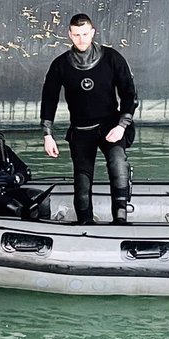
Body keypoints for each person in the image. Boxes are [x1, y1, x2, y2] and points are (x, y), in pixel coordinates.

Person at [40, 13, 138, 224]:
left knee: (118, 165)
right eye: (76, 35)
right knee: (82, 180)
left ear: (93, 32)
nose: (81, 39)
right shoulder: (60, 65)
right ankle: (85, 223)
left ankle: (120, 220)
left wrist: (122, 125)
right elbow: (49, 99)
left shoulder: (112, 58)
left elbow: (130, 94)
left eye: (85, 34)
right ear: (69, 35)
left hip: (111, 127)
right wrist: (47, 135)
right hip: (81, 130)